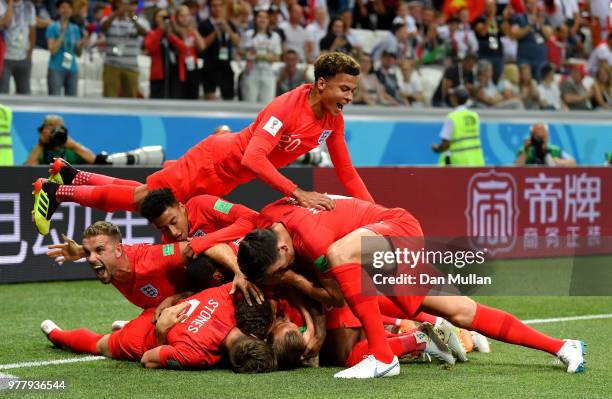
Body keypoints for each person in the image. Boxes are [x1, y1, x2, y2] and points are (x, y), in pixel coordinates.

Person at [237, 195, 586, 378]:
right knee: (461, 311)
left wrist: (293, 279)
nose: (281, 276)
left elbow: (338, 294)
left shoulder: (310, 241)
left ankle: (383, 357)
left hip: (396, 229)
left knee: (339, 253)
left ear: (283, 249)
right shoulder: (269, 218)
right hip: (379, 247)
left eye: (280, 269)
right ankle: (563, 346)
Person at [33, 52, 373, 236]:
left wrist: (376, 215)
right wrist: (298, 192)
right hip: (213, 162)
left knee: (145, 193)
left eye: (353, 91)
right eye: (344, 89)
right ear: (322, 83)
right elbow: (255, 158)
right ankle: (55, 192)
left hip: (224, 175)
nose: (349, 97)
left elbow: (346, 172)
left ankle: (71, 175)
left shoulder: (333, 120)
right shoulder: (287, 107)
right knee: (146, 200)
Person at [40, 279, 275, 373]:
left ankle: (122, 325)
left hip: (159, 308)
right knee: (98, 344)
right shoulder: (201, 357)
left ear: (253, 336)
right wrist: (161, 332)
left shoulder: (229, 302)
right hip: (140, 338)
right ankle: (56, 335)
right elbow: (148, 359)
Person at [101, 0, 148, 98]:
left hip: (131, 66)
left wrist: (133, 18)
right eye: (122, 3)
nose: (125, 6)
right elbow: (102, 28)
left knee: (131, 97)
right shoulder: (108, 17)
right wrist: (115, 15)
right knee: (110, 97)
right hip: (112, 65)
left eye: (128, 4)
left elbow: (145, 33)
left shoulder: (138, 19)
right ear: (116, 4)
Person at [198, 0, 240, 100]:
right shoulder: (204, 24)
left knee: (228, 96)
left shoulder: (229, 24)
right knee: (210, 96)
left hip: (225, 65)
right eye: (214, 6)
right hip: (210, 65)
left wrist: (228, 30)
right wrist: (215, 33)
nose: (217, 8)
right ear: (209, 7)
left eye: (219, 6)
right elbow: (202, 45)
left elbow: (237, 42)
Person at [432, 87, 485, 166]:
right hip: (476, 160)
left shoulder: (452, 117)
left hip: (460, 162)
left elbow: (446, 143)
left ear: (454, 99)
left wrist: (437, 149)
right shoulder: (474, 116)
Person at [240, 9, 282, 104]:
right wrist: (247, 53)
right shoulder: (248, 35)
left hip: (267, 72)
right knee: (249, 103)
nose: (262, 20)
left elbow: (277, 57)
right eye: (260, 17)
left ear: (268, 20)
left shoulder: (274, 36)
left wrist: (258, 56)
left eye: (265, 17)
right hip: (251, 72)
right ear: (255, 19)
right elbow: (240, 51)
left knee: (267, 106)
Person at [46, 0, 86, 96]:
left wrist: (81, 44)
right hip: (56, 68)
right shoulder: (52, 27)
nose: (66, 10)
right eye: (63, 7)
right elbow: (52, 50)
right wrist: (62, 33)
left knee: (72, 101)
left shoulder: (75, 28)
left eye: (68, 8)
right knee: (54, 98)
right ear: (58, 10)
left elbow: (78, 53)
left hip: (72, 68)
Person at [25, 114, 96, 165]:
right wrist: (40, 144)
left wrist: (74, 146)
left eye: (57, 128)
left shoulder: (72, 148)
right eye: (50, 128)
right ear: (42, 131)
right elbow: (28, 171)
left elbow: (95, 161)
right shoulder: (38, 150)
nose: (53, 133)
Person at [0, 0, 36, 94]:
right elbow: (6, 23)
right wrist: (10, 3)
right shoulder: (1, 4)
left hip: (23, 57)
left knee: (24, 92)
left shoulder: (29, 6)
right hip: (5, 58)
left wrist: (30, 52)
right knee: (3, 92)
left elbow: (32, 31)